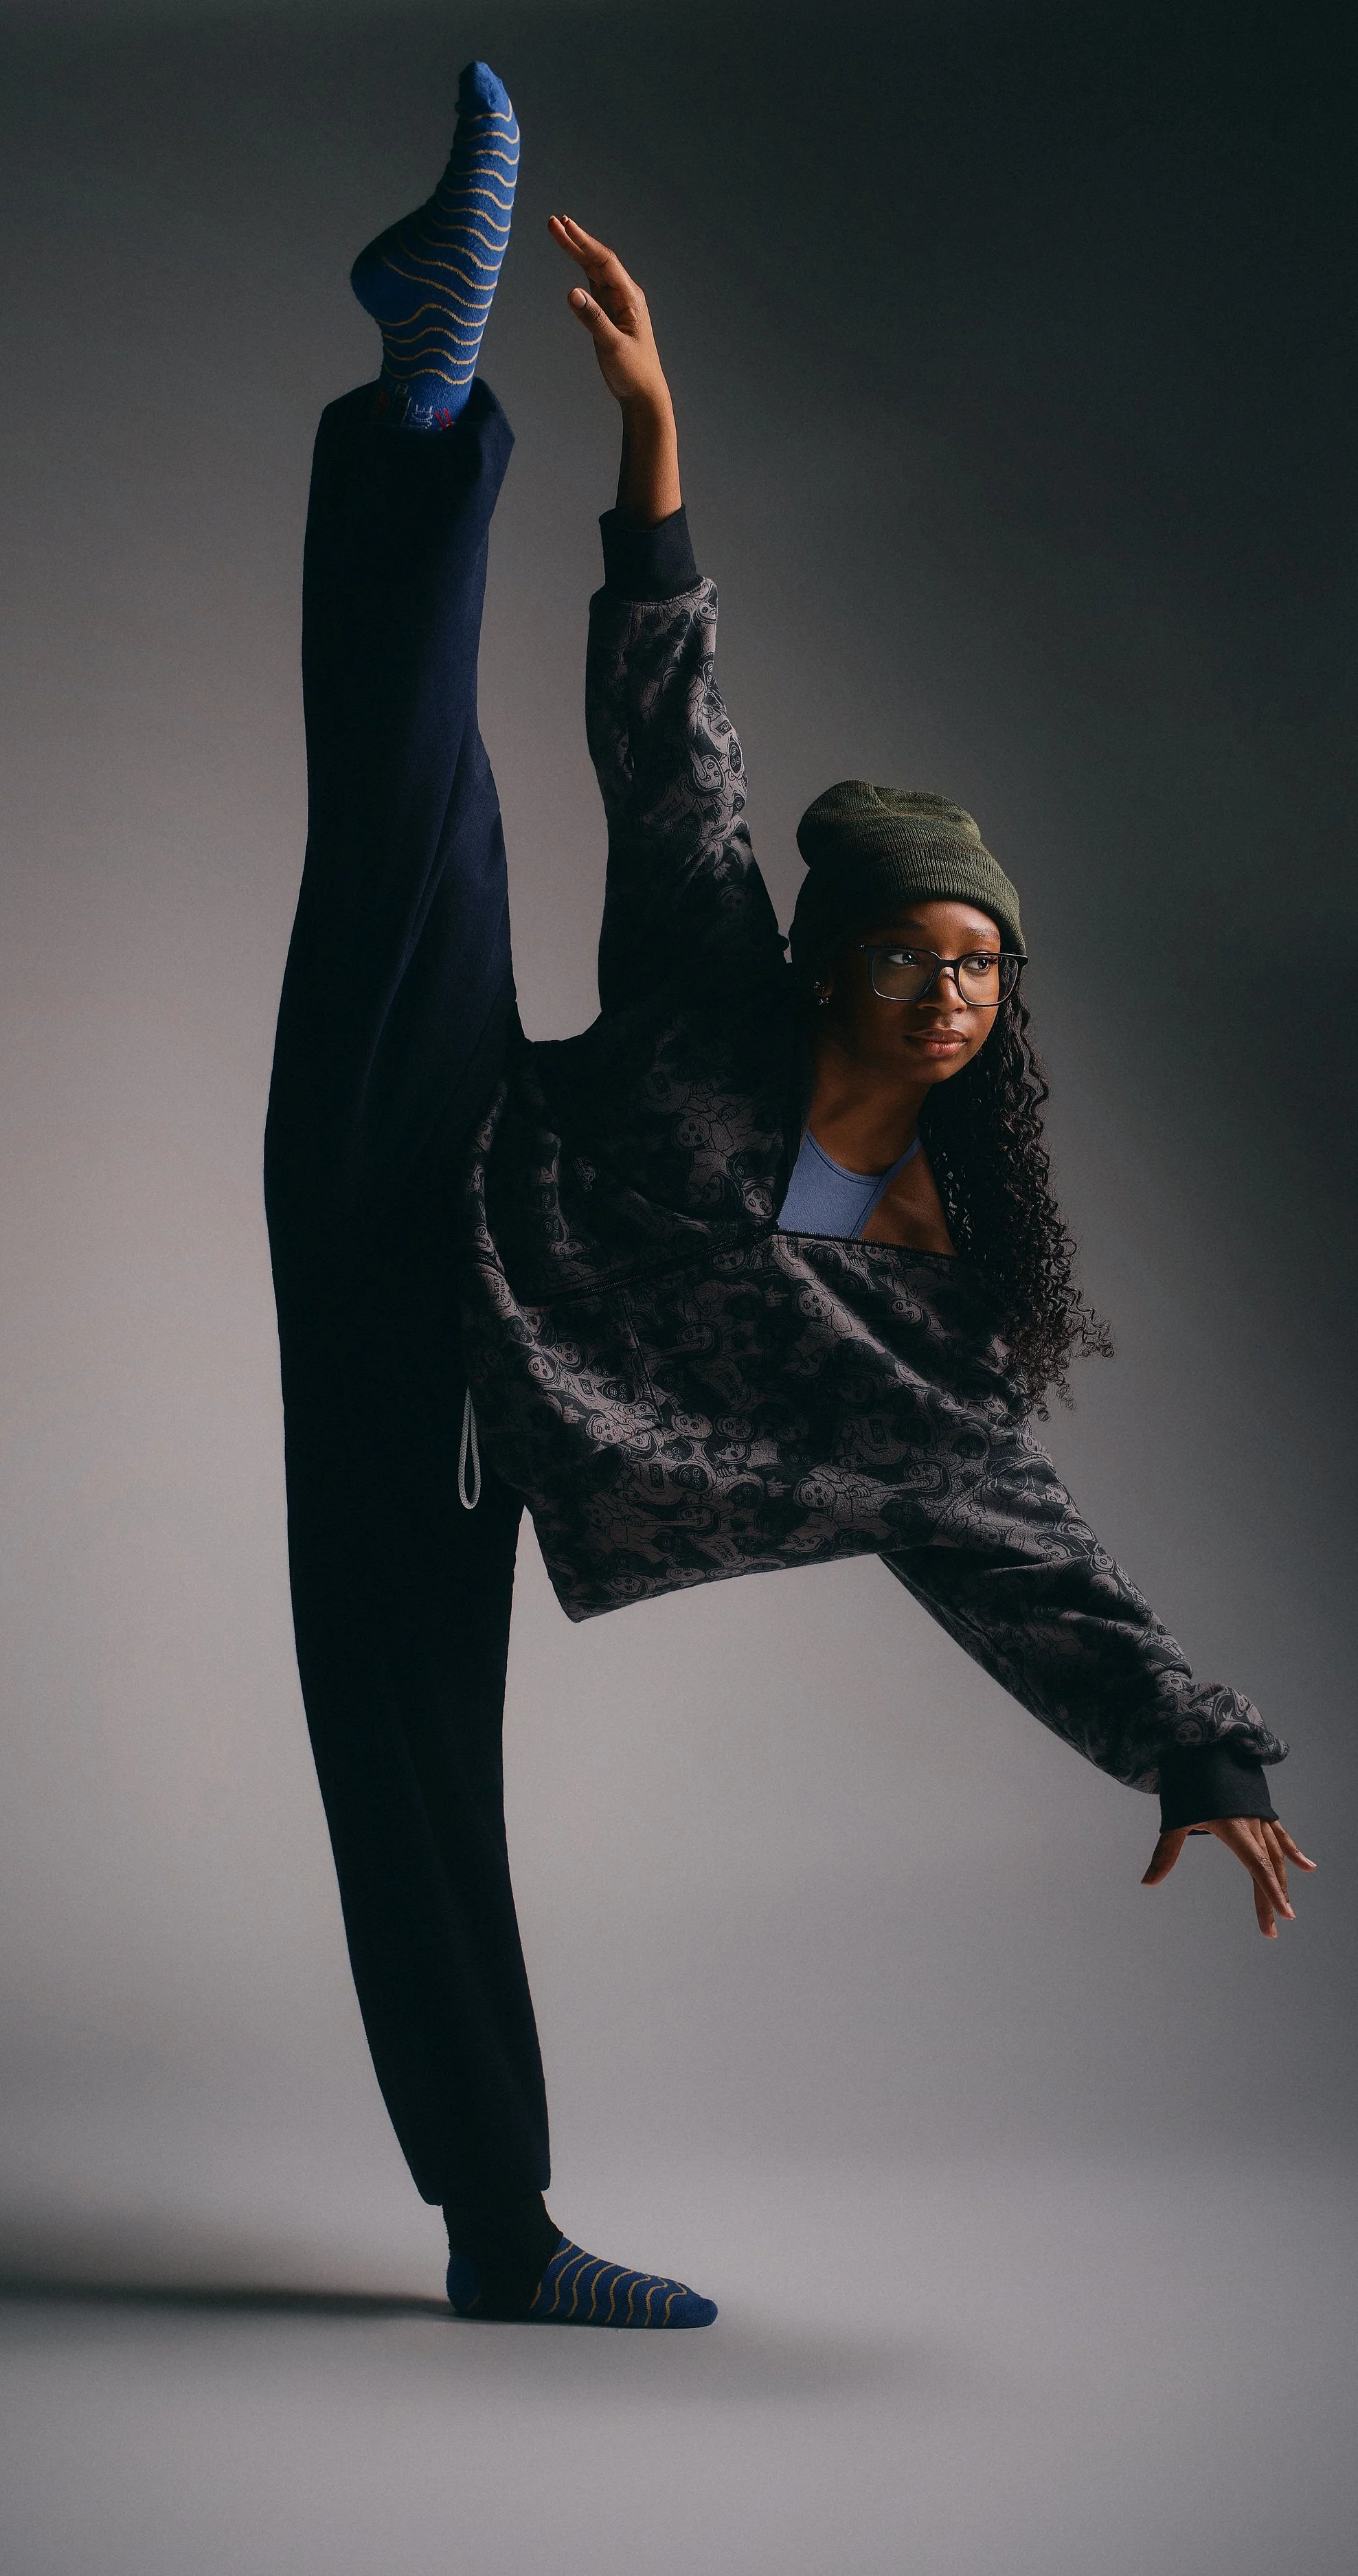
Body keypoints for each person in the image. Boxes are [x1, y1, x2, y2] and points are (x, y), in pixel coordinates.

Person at [263, 64, 1311, 2329]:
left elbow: (1016, 1543)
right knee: (413, 818)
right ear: (840, 956)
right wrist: (651, 442)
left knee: (414, 1782)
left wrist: (1195, 1742)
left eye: (982, 974)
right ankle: (425, 388)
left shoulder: (917, 1279)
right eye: (917, 954)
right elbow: (668, 729)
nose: (950, 993)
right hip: (421, 1134)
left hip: (436, 1395)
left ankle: (499, 2241)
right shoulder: (720, 986)